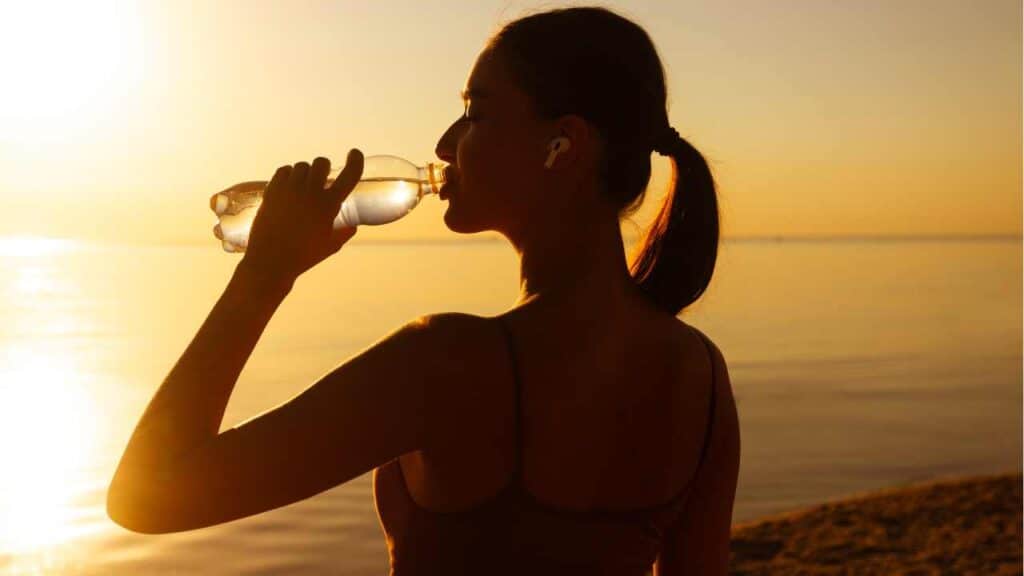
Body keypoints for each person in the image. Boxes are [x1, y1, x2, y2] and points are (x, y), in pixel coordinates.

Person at [106, 6, 740, 575]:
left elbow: (146, 496)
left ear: (562, 146)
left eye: (476, 112)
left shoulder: (449, 363)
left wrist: (263, 276)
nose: (443, 145)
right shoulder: (701, 373)